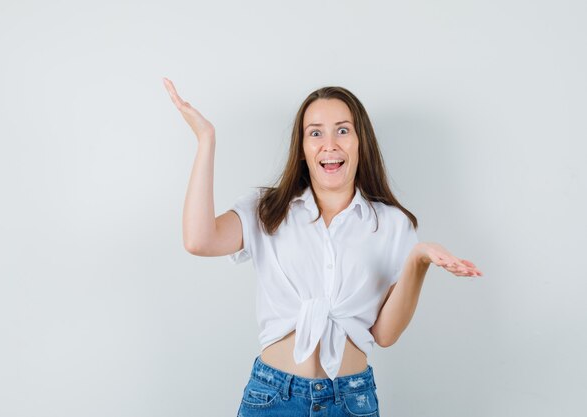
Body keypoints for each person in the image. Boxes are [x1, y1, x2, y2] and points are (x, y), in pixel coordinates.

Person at [164, 78, 483, 416]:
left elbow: (385, 334)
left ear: (361, 142)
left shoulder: (391, 224)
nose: (329, 144)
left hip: (351, 400)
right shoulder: (268, 209)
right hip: (273, 398)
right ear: (302, 149)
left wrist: (419, 260)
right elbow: (199, 240)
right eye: (315, 133)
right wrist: (206, 140)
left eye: (343, 130)